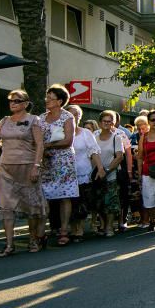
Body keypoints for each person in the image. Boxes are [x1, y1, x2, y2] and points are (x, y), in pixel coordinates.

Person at [0, 90, 47, 257]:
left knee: (32, 206)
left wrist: (37, 165)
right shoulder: (5, 121)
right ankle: (9, 244)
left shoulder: (33, 120)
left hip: (27, 166)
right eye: (10, 101)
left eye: (17, 100)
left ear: (25, 103)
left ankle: (33, 240)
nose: (12, 103)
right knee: (7, 207)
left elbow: (40, 144)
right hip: (6, 167)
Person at [39, 84, 78, 246]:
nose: (47, 100)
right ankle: (41, 232)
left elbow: (68, 140)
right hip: (46, 162)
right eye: (47, 97)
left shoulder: (67, 117)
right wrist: (41, 150)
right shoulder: (41, 117)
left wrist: (48, 146)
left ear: (60, 101)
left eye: (51, 98)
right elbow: (37, 139)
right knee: (43, 196)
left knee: (64, 196)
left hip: (63, 161)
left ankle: (64, 230)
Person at [67, 105, 102, 242]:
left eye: (75, 115)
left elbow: (94, 151)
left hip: (82, 172)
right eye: (69, 114)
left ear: (79, 117)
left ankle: (79, 230)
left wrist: (100, 168)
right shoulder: (60, 132)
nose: (72, 117)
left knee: (80, 202)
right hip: (66, 174)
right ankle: (70, 228)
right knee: (68, 202)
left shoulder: (86, 133)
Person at [95, 110, 126, 237]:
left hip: (111, 174)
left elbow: (119, 157)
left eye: (110, 121)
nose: (107, 123)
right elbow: (91, 153)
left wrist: (106, 170)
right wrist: (99, 170)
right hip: (96, 174)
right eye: (104, 121)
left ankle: (109, 226)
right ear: (100, 122)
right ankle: (102, 224)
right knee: (98, 201)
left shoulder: (116, 138)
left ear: (113, 123)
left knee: (111, 201)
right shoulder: (94, 136)